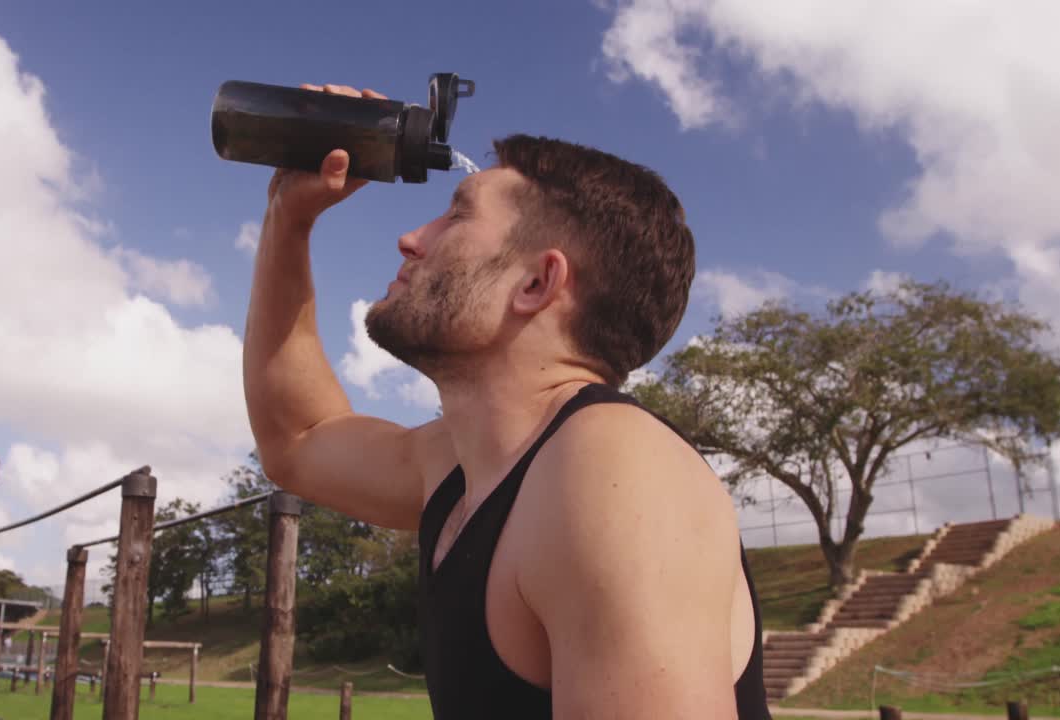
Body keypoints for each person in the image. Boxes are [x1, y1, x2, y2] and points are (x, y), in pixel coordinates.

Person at [241, 82, 772, 719]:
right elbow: (299, 440)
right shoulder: (468, 467)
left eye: (457, 215)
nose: (412, 238)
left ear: (538, 281)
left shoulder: (617, 474)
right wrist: (287, 218)